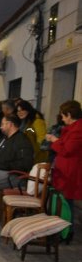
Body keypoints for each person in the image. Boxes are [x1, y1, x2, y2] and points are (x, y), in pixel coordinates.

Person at [47, 100, 82, 238]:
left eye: (62, 115)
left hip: (71, 170)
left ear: (69, 114)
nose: (61, 118)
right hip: (65, 169)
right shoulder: (72, 128)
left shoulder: (78, 129)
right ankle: (62, 230)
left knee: (67, 201)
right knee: (64, 200)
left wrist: (54, 141)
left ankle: (67, 232)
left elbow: (67, 149)